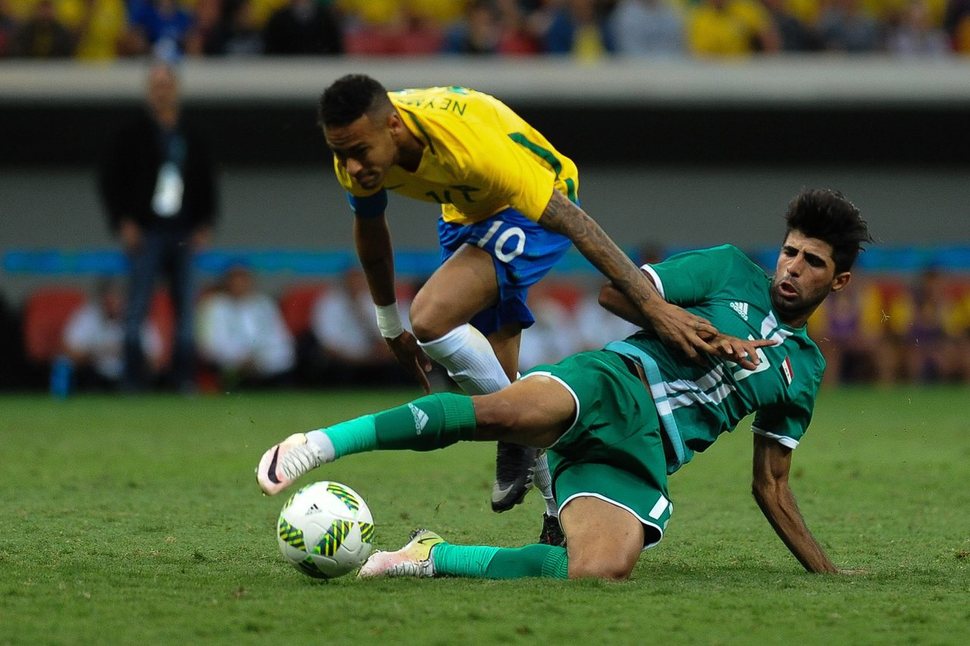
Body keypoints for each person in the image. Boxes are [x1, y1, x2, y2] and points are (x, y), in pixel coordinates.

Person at [257, 188, 872, 580]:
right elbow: (615, 291)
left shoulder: (806, 371)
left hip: (642, 457)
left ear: (838, 281)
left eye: (812, 262)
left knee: (596, 573)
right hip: (612, 383)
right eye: (791, 252)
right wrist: (696, 332)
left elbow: (772, 485)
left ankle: (427, 556)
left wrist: (828, 574)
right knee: (495, 414)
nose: (791, 268)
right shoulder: (729, 269)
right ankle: (316, 444)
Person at [313, 74, 735, 543]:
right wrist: (387, 322)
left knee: (432, 317)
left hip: (536, 199)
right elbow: (371, 229)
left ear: (393, 126)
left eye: (358, 152)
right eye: (340, 153)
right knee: (499, 371)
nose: (351, 167)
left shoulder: (473, 150)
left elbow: (575, 223)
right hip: (465, 213)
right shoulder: (357, 154)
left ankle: (520, 439)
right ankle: (557, 511)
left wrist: (651, 306)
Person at [99, 60, 218, 392]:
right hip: (146, 230)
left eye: (167, 85)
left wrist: (205, 223)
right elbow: (111, 180)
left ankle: (183, 379)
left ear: (176, 90)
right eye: (156, 86)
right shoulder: (131, 133)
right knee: (136, 309)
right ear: (149, 92)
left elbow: (207, 181)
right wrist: (123, 222)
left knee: (186, 311)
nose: (162, 92)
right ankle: (133, 379)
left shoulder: (191, 133)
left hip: (183, 229)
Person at [196, 262, 296, 390]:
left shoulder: (264, 304)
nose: (238, 283)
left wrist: (261, 360)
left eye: (243, 279)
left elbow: (281, 339)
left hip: (266, 366)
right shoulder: (213, 305)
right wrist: (238, 358)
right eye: (234, 279)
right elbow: (208, 345)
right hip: (229, 366)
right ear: (226, 281)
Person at [63, 277, 164, 390]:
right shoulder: (87, 315)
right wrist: (97, 352)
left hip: (130, 379)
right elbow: (69, 354)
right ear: (101, 299)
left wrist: (131, 352)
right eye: (109, 298)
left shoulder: (138, 318)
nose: (114, 303)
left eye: (118, 298)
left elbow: (156, 362)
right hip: (94, 378)